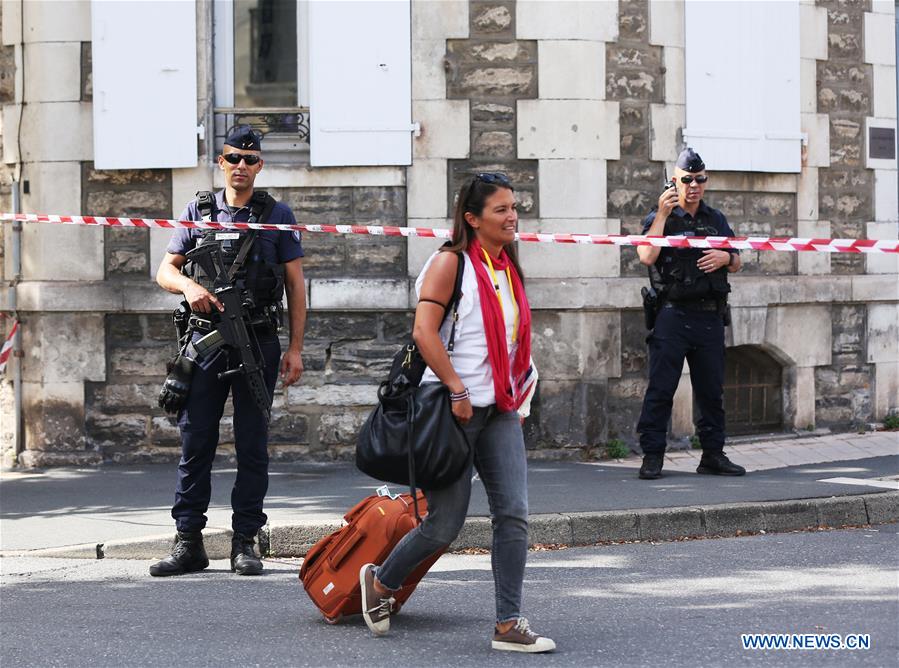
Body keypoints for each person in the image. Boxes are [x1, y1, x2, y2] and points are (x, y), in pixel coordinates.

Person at [358, 173, 554, 653]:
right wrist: (457, 389)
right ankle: (381, 582)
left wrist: (518, 391)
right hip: (452, 411)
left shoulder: (507, 266)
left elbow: (510, 339)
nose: (513, 217)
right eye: (501, 210)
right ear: (472, 218)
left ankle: (508, 623)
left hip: (501, 410)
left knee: (514, 515)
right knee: (444, 525)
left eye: (514, 207)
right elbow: (425, 333)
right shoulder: (450, 264)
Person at [149, 126, 306, 576]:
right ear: (221, 161)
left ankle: (245, 541)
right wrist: (189, 286)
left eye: (250, 160)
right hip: (205, 341)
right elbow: (166, 270)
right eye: (234, 158)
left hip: (257, 340)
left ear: (261, 166)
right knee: (196, 440)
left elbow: (295, 287)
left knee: (253, 443)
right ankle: (188, 542)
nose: (241, 166)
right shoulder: (198, 210)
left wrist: (295, 349)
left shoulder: (277, 214)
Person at [636, 148, 746, 480]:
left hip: (709, 316)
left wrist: (725, 259)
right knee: (661, 389)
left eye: (700, 179)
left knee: (712, 391)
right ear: (674, 181)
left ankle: (713, 454)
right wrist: (659, 214)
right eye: (687, 180)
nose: (694, 185)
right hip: (672, 314)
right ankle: (653, 456)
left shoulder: (715, 219)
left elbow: (738, 259)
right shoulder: (661, 218)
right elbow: (646, 255)